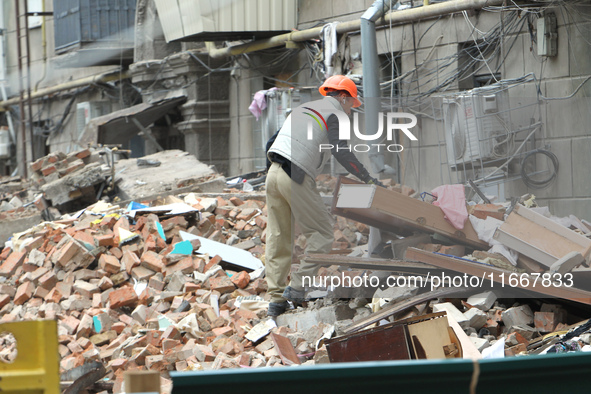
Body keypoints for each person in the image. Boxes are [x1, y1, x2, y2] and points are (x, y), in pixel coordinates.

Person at [265, 75, 383, 317]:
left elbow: (271, 141)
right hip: (295, 174)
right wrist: (367, 178)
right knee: (322, 235)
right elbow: (342, 151)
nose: (351, 109)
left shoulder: (302, 109)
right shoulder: (335, 113)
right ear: (342, 96)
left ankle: (276, 300)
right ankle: (296, 288)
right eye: (352, 103)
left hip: (273, 173)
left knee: (279, 235)